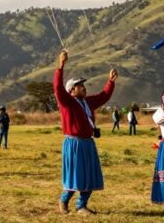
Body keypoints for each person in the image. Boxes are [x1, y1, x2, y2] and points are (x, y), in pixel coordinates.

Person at [54, 50, 117, 215]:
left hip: (88, 142)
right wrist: (61, 66)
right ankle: (64, 200)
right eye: (80, 85)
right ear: (72, 90)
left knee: (89, 175)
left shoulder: (88, 102)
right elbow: (58, 89)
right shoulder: (67, 102)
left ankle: (81, 205)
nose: (83, 87)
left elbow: (103, 96)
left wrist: (110, 81)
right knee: (76, 175)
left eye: (83, 85)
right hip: (74, 143)